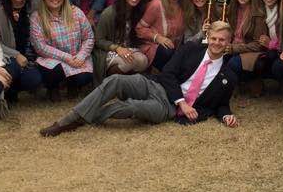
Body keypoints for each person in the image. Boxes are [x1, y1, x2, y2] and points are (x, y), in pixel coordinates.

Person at [38, 22, 239, 136]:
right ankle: (68, 121)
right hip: (158, 87)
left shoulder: (228, 75)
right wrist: (182, 101)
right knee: (115, 81)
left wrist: (226, 116)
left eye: (222, 40)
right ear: (208, 37)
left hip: (167, 108)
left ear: (228, 42)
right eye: (213, 38)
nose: (217, 43)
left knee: (131, 108)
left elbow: (221, 104)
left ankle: (88, 115)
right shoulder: (191, 50)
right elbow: (168, 73)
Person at [30, 0, 95, 101]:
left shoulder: (76, 12)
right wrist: (66, 57)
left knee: (85, 77)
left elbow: (89, 37)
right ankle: (53, 88)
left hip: (76, 57)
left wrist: (81, 56)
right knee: (51, 73)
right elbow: (40, 46)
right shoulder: (36, 17)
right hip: (54, 59)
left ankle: (72, 85)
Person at [0, 0, 44, 103]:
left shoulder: (31, 9)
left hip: (27, 57)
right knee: (13, 68)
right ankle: (6, 92)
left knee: (34, 80)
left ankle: (13, 87)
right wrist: (16, 55)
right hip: (4, 56)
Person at [92, 0, 150, 82]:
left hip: (129, 48)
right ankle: (110, 81)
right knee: (128, 62)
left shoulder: (138, 11)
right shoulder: (109, 13)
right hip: (109, 50)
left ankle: (127, 83)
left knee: (143, 61)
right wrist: (117, 48)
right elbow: (98, 40)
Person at [137, 0, 188, 69]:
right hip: (154, 47)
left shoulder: (185, 6)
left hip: (175, 48)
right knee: (168, 52)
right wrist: (157, 37)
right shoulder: (156, 5)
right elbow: (139, 29)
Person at [224, 0, 269, 87]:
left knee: (232, 64)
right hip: (231, 48)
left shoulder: (258, 13)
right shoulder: (230, 9)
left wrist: (234, 48)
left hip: (250, 51)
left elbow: (258, 45)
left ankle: (252, 81)